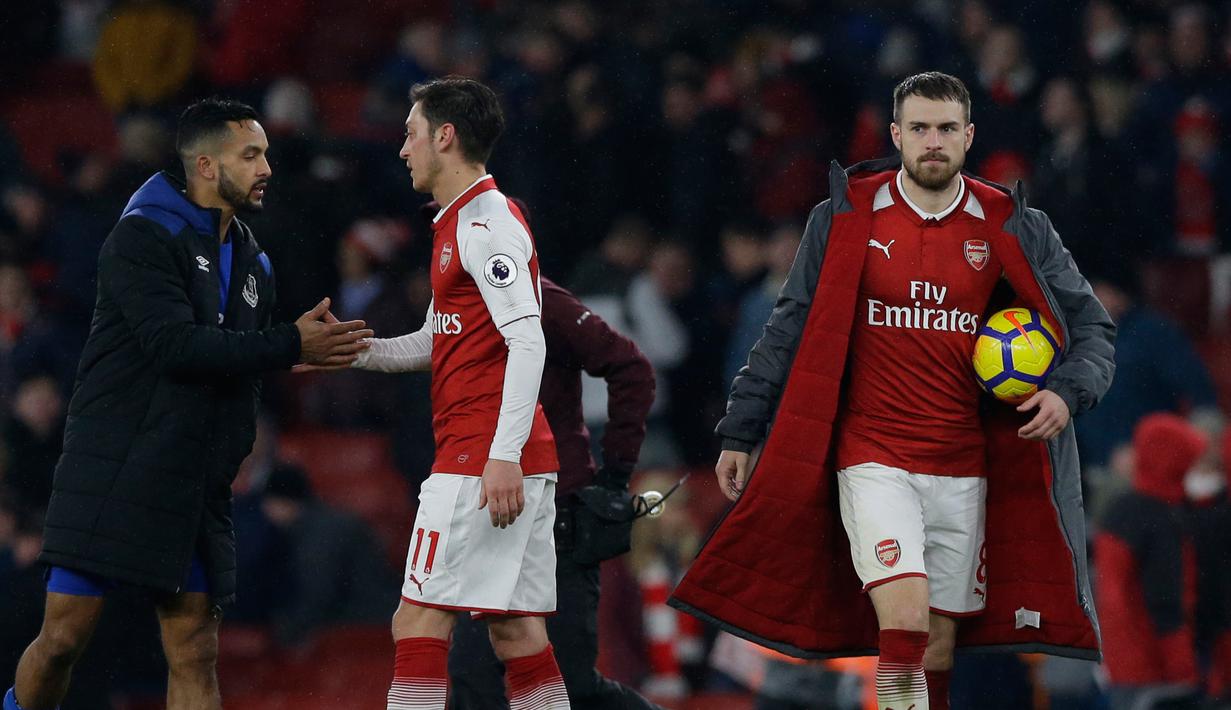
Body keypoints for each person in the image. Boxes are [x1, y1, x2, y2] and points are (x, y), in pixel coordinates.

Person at [670, 72, 1116, 710]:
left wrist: (1069, 392)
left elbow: (1093, 328)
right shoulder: (847, 214)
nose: (932, 142)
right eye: (919, 129)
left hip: (963, 465)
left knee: (935, 647)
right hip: (872, 456)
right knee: (902, 619)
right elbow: (789, 323)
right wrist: (743, 426)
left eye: (945, 129)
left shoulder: (1010, 223)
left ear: (968, 135)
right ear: (896, 135)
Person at [2, 97, 373, 710]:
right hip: (114, 469)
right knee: (64, 638)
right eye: (250, 155)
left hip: (193, 482)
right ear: (206, 165)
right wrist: (285, 344)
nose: (266, 169)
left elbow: (244, 368)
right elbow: (173, 346)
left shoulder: (255, 261)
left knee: (196, 647)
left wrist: (229, 452)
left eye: (267, 155)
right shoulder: (141, 235)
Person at [351, 77, 568, 710]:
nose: (403, 150)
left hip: (482, 456)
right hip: (510, 454)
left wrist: (501, 455)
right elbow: (434, 341)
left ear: (445, 136)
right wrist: (353, 351)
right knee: (515, 631)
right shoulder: (460, 222)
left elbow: (530, 343)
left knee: (417, 622)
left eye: (411, 134)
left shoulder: (486, 226)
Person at [1096, 413, 1206, 709]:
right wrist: (1183, 665)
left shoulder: (1120, 510)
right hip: (1153, 663)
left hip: (1120, 657)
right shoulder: (1161, 518)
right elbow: (1166, 599)